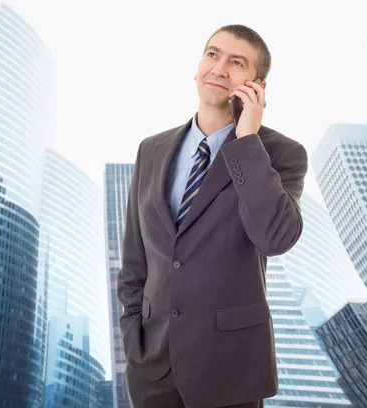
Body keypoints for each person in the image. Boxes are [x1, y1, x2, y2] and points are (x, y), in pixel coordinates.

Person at [117, 24, 309, 408]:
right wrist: (133, 334)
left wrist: (247, 140)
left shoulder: (281, 153)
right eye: (212, 54)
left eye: (237, 63)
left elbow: (276, 238)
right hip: (153, 367)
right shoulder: (151, 150)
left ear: (258, 87)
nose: (220, 68)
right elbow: (135, 259)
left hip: (230, 369)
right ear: (198, 67)